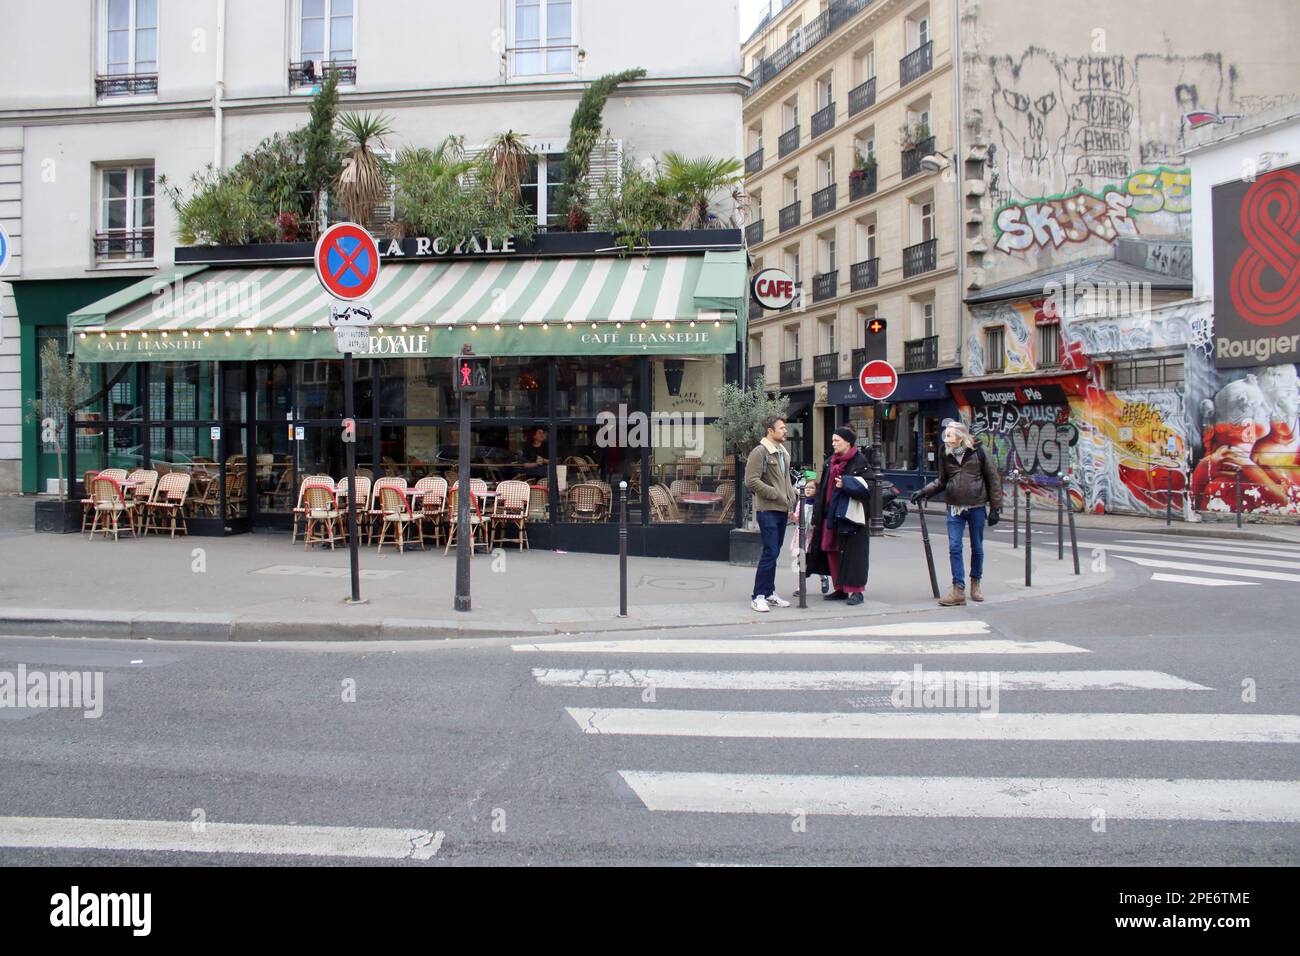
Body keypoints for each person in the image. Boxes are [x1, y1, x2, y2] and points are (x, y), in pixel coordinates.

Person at [912, 419, 1002, 606]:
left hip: (976, 505)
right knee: (954, 547)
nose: (946, 439)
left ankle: (975, 583)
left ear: (960, 438)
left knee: (977, 547)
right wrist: (924, 491)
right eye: (945, 436)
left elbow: (993, 479)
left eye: (949, 436)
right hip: (954, 507)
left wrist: (995, 508)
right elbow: (942, 481)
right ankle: (958, 589)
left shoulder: (978, 452)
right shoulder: (945, 453)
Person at [805, 427, 874, 606]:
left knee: (854, 554)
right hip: (830, 515)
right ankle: (840, 588)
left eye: (837, 440)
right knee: (832, 550)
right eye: (833, 440)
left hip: (850, 517)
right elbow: (822, 488)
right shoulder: (830, 462)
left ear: (848, 442)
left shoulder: (860, 461)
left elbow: (869, 488)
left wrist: (846, 484)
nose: (833, 443)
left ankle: (856, 591)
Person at [744, 415, 797, 613]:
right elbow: (751, 480)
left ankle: (769, 592)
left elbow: (786, 481)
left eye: (785, 427)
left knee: (774, 553)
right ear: (770, 430)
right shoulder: (760, 452)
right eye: (781, 428)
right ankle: (757, 596)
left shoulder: (783, 452)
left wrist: (792, 500)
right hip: (767, 510)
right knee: (770, 552)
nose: (785, 431)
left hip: (782, 509)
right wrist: (774, 493)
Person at [789, 477, 831, 597]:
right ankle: (801, 586)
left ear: (817, 490)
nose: (807, 490)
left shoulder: (818, 504)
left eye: (811, 488)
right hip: (801, 536)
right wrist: (792, 516)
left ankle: (823, 578)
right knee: (800, 560)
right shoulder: (801, 502)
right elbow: (797, 519)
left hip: (813, 536)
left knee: (814, 559)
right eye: (806, 487)